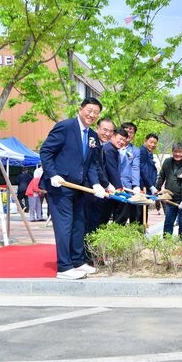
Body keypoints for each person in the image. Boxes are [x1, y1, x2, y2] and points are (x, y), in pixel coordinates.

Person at [39, 97, 108, 280]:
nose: (92, 115)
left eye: (96, 112)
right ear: (80, 109)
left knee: (79, 225)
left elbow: (92, 164)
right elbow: (45, 151)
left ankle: (77, 261)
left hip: (79, 187)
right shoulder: (66, 127)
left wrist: (95, 183)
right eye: (89, 110)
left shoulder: (92, 135)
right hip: (60, 186)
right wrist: (52, 174)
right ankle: (64, 267)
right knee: (64, 226)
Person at [156, 142, 182, 239]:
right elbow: (162, 176)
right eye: (175, 152)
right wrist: (157, 189)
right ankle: (167, 244)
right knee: (168, 222)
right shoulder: (167, 162)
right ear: (172, 152)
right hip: (170, 199)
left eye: (180, 152)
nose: (178, 154)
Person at [85, 117, 115, 237]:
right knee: (89, 222)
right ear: (97, 128)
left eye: (110, 131)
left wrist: (106, 184)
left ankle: (90, 252)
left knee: (95, 222)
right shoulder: (92, 142)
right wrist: (105, 184)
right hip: (89, 187)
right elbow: (94, 166)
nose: (107, 134)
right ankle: (86, 253)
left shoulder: (101, 145)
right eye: (104, 130)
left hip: (97, 188)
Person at [100, 128, 130, 227]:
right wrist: (120, 189)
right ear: (113, 136)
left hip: (110, 187)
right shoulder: (109, 149)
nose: (122, 142)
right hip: (105, 187)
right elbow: (112, 171)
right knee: (101, 218)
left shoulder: (113, 150)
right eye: (120, 139)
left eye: (124, 140)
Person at [116, 122, 141, 224]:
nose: (128, 134)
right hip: (110, 186)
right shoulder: (112, 146)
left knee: (122, 216)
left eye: (131, 132)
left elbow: (135, 168)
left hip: (127, 188)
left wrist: (136, 185)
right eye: (126, 131)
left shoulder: (135, 150)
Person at [138, 133, 159, 224]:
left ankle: (142, 232)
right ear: (145, 141)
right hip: (143, 187)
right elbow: (142, 170)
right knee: (140, 214)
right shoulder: (142, 151)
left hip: (147, 187)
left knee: (144, 213)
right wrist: (151, 186)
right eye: (151, 142)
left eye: (155, 143)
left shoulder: (149, 153)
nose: (152, 145)